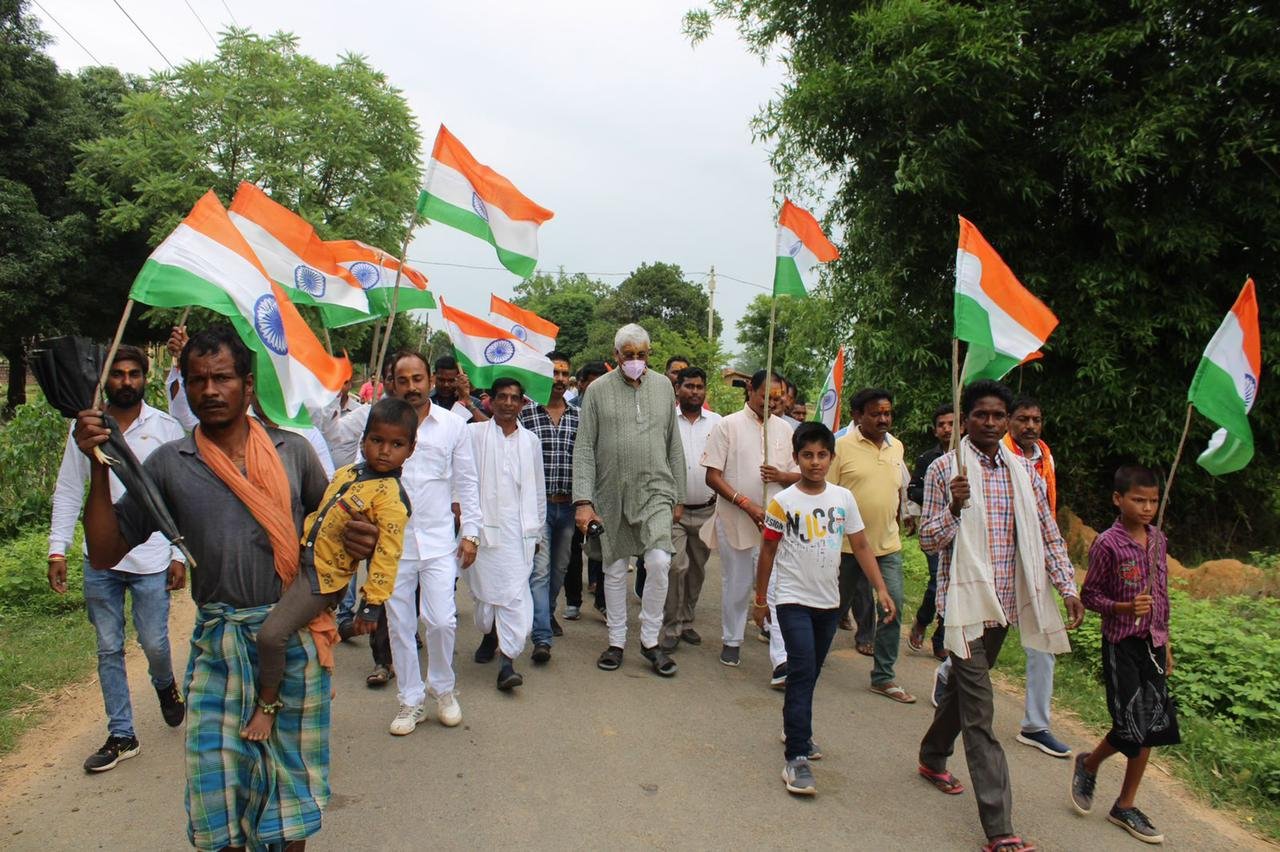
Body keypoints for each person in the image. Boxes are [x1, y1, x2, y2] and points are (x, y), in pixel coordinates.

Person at [75, 325, 373, 850]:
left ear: (248, 386)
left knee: (288, 800)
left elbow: (330, 539)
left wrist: (361, 536)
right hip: (219, 646)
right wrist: (98, 467)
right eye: (197, 380)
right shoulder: (171, 463)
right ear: (184, 387)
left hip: (293, 642)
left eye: (222, 378)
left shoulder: (293, 451)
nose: (209, 390)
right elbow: (104, 551)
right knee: (218, 796)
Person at [917, 379, 1085, 852]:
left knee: (963, 695)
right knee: (981, 713)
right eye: (980, 415)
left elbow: (1048, 534)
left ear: (1007, 421)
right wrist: (953, 505)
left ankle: (931, 755)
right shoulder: (946, 470)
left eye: (998, 416)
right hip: (964, 608)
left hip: (1006, 607)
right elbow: (928, 541)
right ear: (965, 419)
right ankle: (1000, 829)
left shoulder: (1024, 471)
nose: (990, 423)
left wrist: (1067, 586)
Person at [242, 398, 415, 741]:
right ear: (364, 439)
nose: (384, 451)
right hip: (299, 559)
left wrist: (371, 605)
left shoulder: (392, 499)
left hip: (321, 578)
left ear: (411, 449)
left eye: (396, 445)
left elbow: (387, 555)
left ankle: (267, 706)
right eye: (377, 440)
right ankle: (318, 682)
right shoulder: (348, 473)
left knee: (270, 635)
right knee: (289, 629)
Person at [48, 344, 187, 773]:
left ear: (145, 378)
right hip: (100, 560)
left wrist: (179, 551)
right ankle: (122, 734)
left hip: (150, 559)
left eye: (133, 373)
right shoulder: (87, 429)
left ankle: (165, 685)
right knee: (108, 647)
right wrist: (58, 548)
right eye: (118, 374)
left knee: (154, 643)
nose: (125, 381)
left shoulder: (165, 427)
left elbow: (179, 495)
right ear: (104, 379)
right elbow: (70, 488)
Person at [753, 422, 897, 796]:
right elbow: (767, 550)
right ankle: (796, 756)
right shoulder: (783, 502)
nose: (815, 463)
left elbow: (862, 546)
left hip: (828, 603)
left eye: (822, 455)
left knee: (811, 671)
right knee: (801, 670)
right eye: (807, 455)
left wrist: (881, 589)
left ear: (832, 458)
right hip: (791, 600)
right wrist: (760, 599)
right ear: (797, 458)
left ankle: (793, 723)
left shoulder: (843, 498)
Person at [1071, 464, 1179, 844]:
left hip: (1153, 644)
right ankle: (1089, 763)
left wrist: (1165, 643)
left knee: (1150, 725)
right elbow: (1091, 596)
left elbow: (1162, 596)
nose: (1147, 507)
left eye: (1153, 501)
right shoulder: (1107, 543)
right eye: (1139, 500)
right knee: (1129, 724)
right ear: (1118, 499)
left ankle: (1125, 804)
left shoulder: (1159, 540)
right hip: (1121, 643)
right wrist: (1122, 608)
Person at [573, 324, 685, 677]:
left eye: (642, 354)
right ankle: (617, 640)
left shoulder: (664, 386)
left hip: (656, 489)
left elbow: (673, 443)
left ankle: (650, 640)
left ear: (648, 354)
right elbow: (585, 448)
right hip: (610, 493)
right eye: (629, 355)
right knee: (615, 567)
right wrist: (583, 500)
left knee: (658, 562)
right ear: (616, 355)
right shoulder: (597, 391)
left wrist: (678, 494)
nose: (636, 361)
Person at [384, 350, 481, 735]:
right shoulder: (380, 421)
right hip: (392, 544)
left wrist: (471, 533)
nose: (411, 387)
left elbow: (468, 482)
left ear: (429, 381)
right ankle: (410, 700)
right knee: (399, 623)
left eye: (417, 379)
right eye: (403, 380)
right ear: (393, 383)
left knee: (441, 620)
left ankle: (443, 689)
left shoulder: (453, 426)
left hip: (440, 540)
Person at [701, 369, 798, 680]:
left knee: (777, 586)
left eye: (778, 397)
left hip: (776, 523)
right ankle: (732, 639)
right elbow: (712, 476)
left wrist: (781, 477)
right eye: (766, 396)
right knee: (738, 583)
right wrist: (746, 504)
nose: (773, 402)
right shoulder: (727, 425)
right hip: (736, 519)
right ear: (750, 392)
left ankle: (781, 658)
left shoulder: (785, 429)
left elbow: (800, 473)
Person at [828, 388, 914, 703]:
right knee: (831, 608)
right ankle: (808, 661)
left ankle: (883, 677)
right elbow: (827, 495)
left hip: (887, 547)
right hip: (845, 550)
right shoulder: (840, 448)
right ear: (857, 415)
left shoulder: (897, 447)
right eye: (876, 413)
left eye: (887, 413)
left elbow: (897, 490)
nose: (883, 419)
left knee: (893, 606)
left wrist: (903, 517)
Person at [1001, 396, 1071, 758]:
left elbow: (1046, 513)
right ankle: (949, 678)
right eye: (1023, 419)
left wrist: (1065, 580)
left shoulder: (1044, 455)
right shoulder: (998, 453)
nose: (1030, 426)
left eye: (1036, 419)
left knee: (1043, 640)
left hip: (1035, 555)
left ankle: (1036, 725)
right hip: (998, 556)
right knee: (981, 632)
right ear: (1009, 421)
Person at [467, 377, 546, 690]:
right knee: (485, 594)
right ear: (491, 400)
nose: (509, 403)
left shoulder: (531, 442)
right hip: (483, 530)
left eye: (515, 398)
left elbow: (538, 490)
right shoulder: (473, 435)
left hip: (519, 532)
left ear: (522, 402)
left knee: (514, 594)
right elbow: (462, 479)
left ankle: (507, 663)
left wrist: (537, 533)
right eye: (503, 397)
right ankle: (489, 634)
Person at [518, 351, 579, 661]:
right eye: (553, 373)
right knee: (539, 572)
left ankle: (545, 611)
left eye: (563, 374)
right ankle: (542, 636)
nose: (558, 379)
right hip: (537, 508)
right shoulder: (526, 415)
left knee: (559, 569)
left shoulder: (578, 416)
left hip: (568, 507)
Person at [660, 367, 720, 653]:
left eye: (700, 386)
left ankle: (686, 621)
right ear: (677, 388)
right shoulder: (666, 420)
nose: (695, 391)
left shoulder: (718, 424)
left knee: (696, 570)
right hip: (674, 512)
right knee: (675, 567)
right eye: (689, 386)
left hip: (707, 510)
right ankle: (670, 626)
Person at [907, 403, 954, 662]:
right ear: (935, 430)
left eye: (951, 423)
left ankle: (941, 639)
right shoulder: (928, 459)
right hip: (935, 531)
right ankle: (923, 620)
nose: (946, 429)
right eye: (941, 425)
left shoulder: (970, 458)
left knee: (955, 586)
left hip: (963, 534)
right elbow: (912, 489)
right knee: (938, 581)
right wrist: (942, 495)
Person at [568, 361, 609, 616]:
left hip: (603, 488)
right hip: (575, 490)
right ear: (581, 384)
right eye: (589, 381)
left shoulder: (611, 412)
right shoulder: (571, 411)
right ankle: (573, 600)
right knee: (573, 549)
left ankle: (603, 599)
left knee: (605, 547)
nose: (594, 387)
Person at [432, 354, 489, 422]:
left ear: (459, 378)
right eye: (441, 380)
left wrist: (469, 404)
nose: (446, 385)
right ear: (434, 376)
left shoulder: (474, 403)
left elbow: (487, 428)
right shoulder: (426, 400)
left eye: (451, 380)